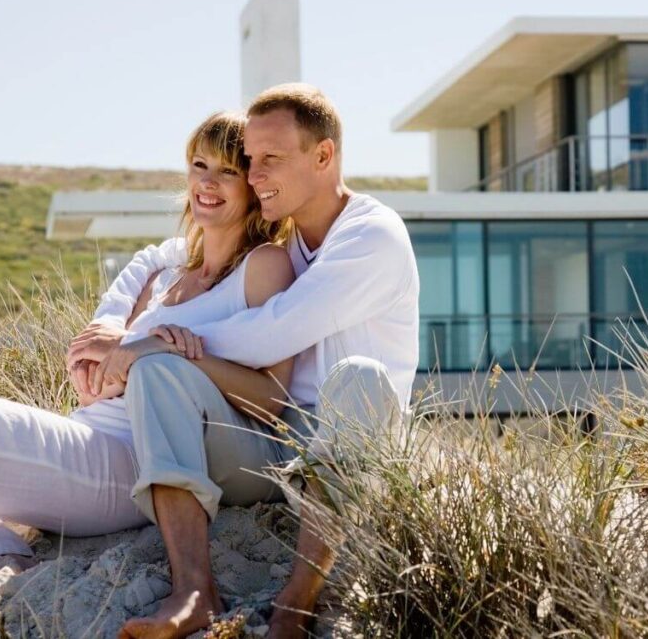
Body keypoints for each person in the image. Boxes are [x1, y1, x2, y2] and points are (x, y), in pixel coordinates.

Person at [71, 83, 420, 639]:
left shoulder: (371, 236)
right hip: (265, 435)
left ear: (324, 156)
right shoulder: (285, 243)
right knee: (161, 372)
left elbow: (270, 334)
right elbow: (163, 254)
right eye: (250, 160)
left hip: (347, 445)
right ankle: (193, 591)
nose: (253, 176)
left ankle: (297, 601)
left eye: (270, 160)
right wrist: (119, 320)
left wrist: (148, 342)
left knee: (359, 376)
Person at [0, 111, 298, 613]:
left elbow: (271, 400)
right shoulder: (165, 276)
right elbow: (105, 370)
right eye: (199, 165)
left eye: (227, 171)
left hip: (134, 458)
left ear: (253, 185)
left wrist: (169, 351)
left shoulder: (263, 266)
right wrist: (104, 367)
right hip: (86, 434)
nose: (208, 183)